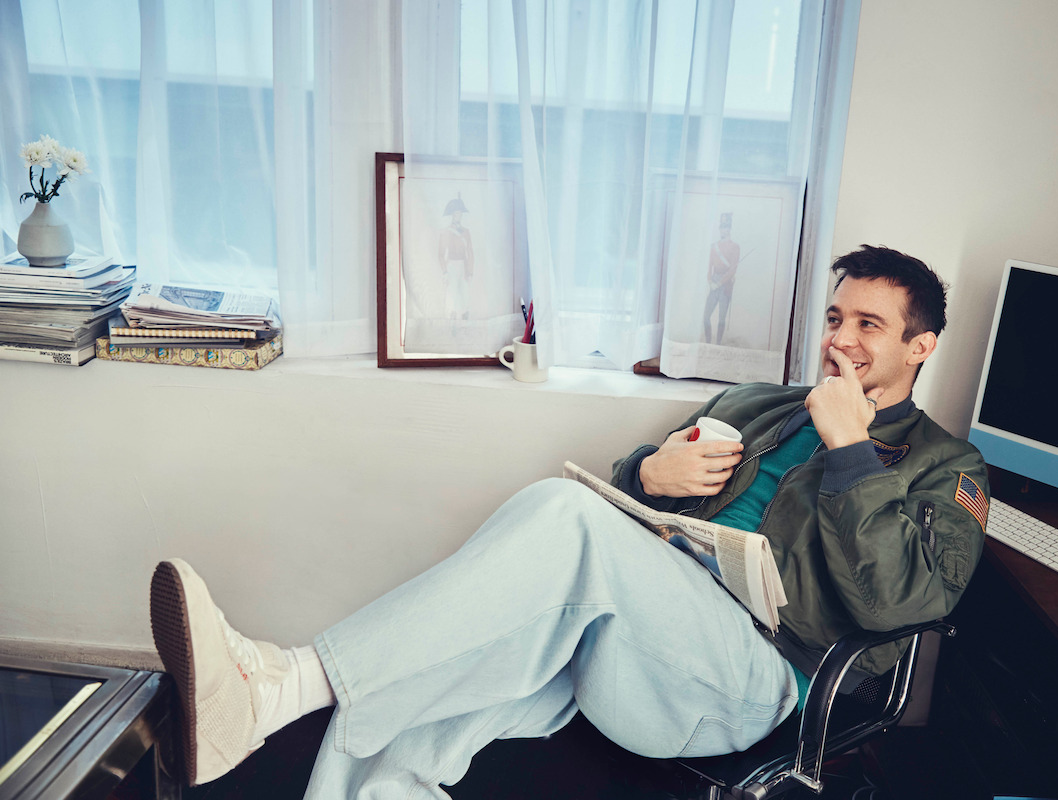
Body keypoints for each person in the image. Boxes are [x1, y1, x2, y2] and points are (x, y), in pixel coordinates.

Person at [149, 245, 989, 798]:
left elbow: (901, 606)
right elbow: (636, 492)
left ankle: (283, 683)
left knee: (563, 513)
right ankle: (282, 730)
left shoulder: (948, 468)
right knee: (437, 682)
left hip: (752, 683)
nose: (842, 339)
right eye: (836, 318)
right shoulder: (759, 405)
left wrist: (848, 443)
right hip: (638, 635)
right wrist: (650, 473)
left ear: (921, 347)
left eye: (869, 325)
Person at [703, 212, 740, 344]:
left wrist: (720, 283)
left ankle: (717, 344)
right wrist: (709, 281)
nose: (723, 230)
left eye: (726, 227)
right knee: (705, 317)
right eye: (722, 227)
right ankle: (708, 343)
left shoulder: (735, 247)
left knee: (721, 318)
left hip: (725, 285)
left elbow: (732, 270)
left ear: (729, 229)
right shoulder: (714, 246)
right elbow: (709, 266)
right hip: (714, 282)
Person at [438, 194, 474, 319]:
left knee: (465, 294)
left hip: (463, 265)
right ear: (452, 215)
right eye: (456, 213)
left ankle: (465, 320)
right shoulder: (446, 232)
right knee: (451, 294)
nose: (458, 215)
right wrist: (445, 272)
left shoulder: (466, 232)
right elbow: (441, 255)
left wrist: (470, 271)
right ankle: (452, 324)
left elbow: (470, 252)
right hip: (451, 265)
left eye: (460, 213)